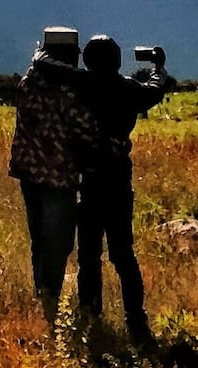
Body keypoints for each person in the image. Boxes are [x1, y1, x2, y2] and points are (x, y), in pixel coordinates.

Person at [72, 36, 172, 351]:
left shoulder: (79, 86)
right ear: (117, 61)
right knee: (123, 254)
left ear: (87, 61)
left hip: (87, 181)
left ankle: (90, 315)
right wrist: (158, 65)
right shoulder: (129, 90)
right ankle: (136, 321)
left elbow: (47, 71)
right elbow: (157, 87)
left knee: (89, 256)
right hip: (117, 180)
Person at [10, 27, 96, 323]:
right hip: (60, 178)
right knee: (58, 244)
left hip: (29, 174)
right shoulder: (72, 92)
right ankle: (52, 299)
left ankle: (42, 295)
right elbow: (86, 131)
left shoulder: (27, 84)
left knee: (39, 240)